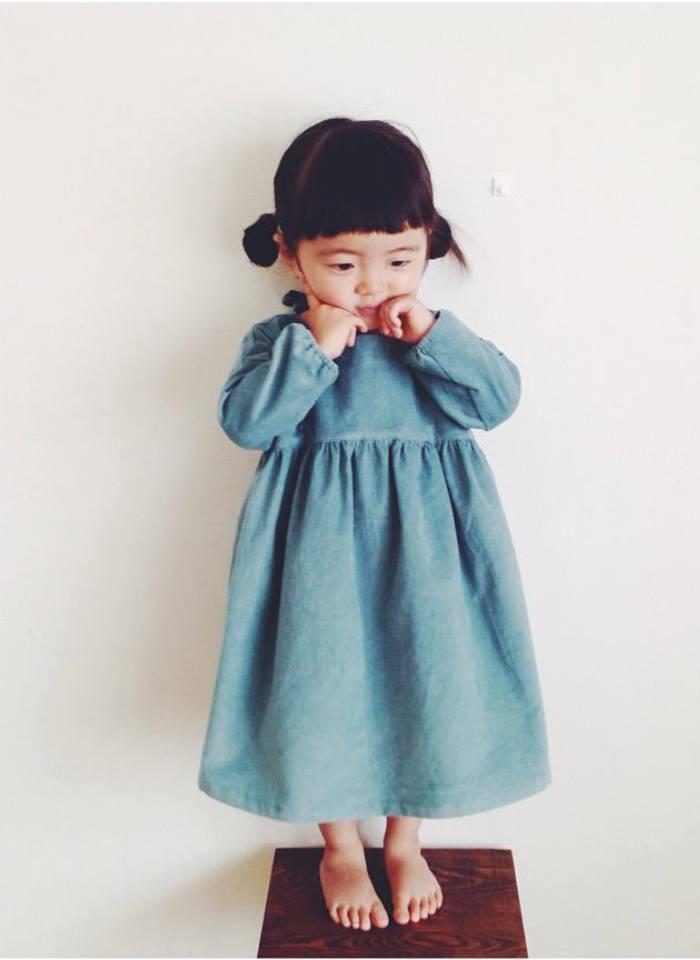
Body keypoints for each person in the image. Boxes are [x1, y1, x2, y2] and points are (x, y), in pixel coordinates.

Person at [198, 117, 551, 932]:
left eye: (398, 259)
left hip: (429, 556)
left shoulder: (424, 338)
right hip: (316, 558)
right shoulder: (280, 340)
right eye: (343, 263)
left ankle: (404, 839)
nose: (371, 283)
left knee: (427, 678)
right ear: (291, 254)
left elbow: (497, 400)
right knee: (318, 687)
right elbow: (248, 424)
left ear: (428, 244)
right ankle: (340, 848)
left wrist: (431, 335)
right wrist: (313, 350)